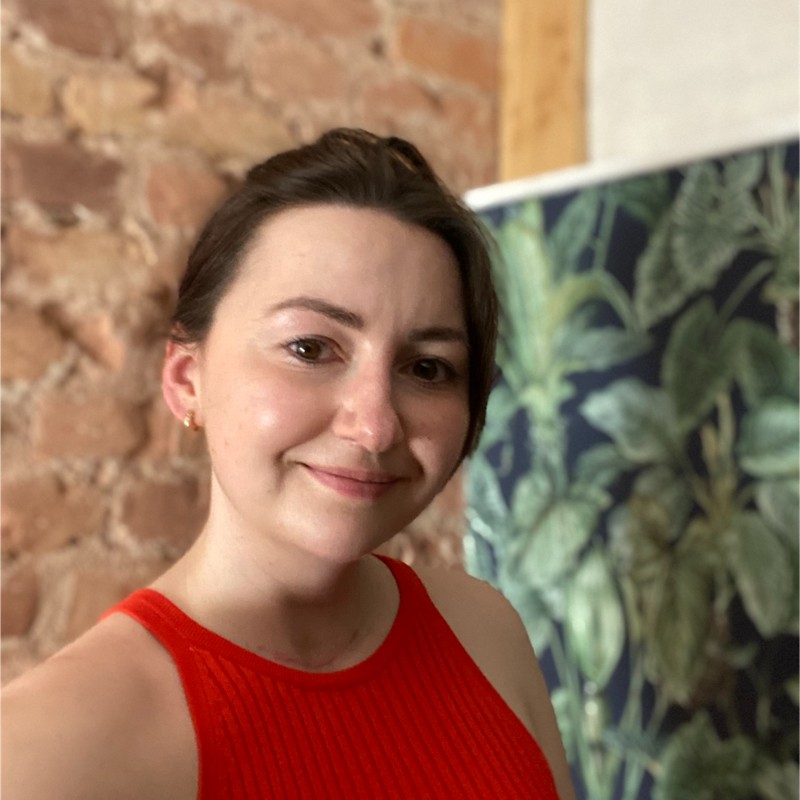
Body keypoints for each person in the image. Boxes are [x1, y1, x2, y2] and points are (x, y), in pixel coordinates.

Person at [2, 129, 575, 799]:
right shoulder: (47, 753)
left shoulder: (485, 632)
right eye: (309, 348)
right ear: (188, 379)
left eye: (427, 367)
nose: (375, 423)